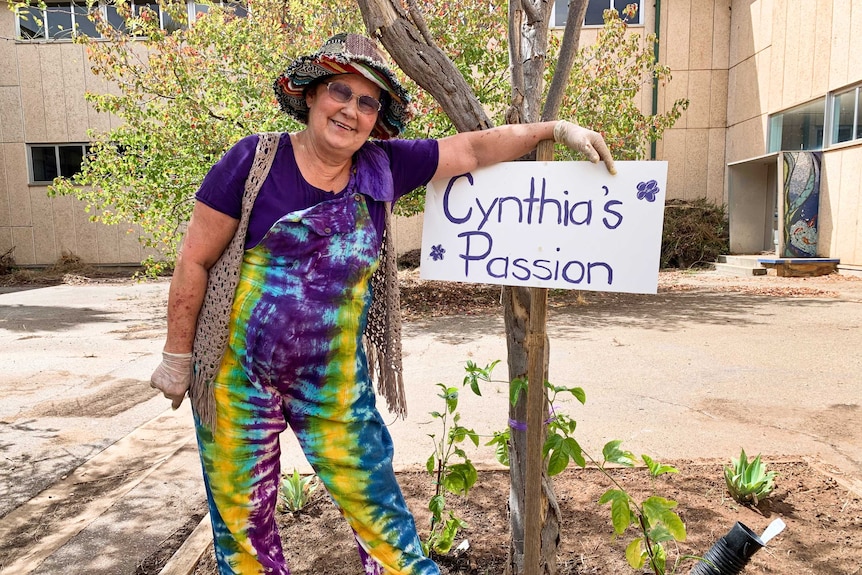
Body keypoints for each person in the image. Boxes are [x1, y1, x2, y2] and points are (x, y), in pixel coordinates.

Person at [150, 32, 615, 575]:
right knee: (243, 527)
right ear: (310, 95)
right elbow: (194, 261)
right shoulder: (254, 161)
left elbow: (471, 148)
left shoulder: (385, 168)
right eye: (339, 92)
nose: (350, 110)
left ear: (378, 117)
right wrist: (177, 354)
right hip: (236, 377)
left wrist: (556, 130)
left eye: (367, 101)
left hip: (334, 382)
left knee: (382, 517)